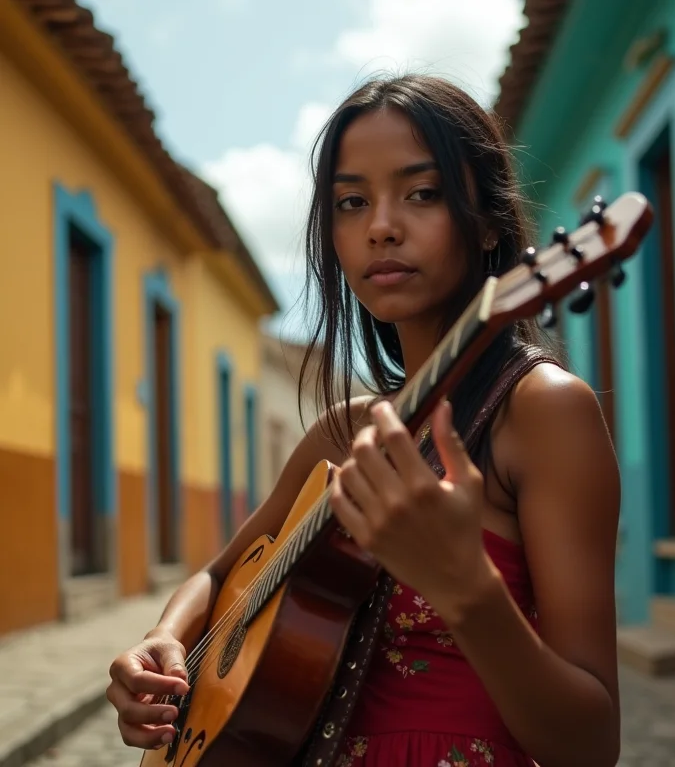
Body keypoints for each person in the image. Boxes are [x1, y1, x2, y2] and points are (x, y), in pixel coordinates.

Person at [106, 74, 621, 767]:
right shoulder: (341, 435)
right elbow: (220, 577)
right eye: (352, 202)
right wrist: (164, 640)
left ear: (493, 222)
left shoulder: (542, 411)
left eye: (422, 193)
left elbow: (591, 744)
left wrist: (468, 589)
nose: (381, 224)